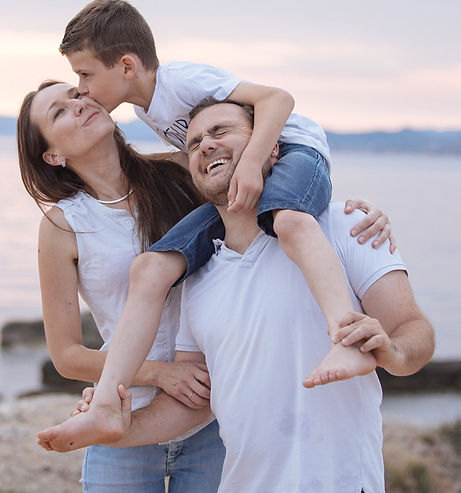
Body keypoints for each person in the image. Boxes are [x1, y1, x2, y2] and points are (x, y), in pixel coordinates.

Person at [46, 0, 394, 448]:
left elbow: (278, 99)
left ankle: (344, 335)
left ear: (127, 66)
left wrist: (250, 162)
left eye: (85, 75)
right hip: (245, 172)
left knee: (289, 221)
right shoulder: (144, 110)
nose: (83, 89)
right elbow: (182, 157)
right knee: (148, 269)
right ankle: (107, 408)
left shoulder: (181, 80)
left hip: (292, 153)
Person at [40, 98, 436, 492]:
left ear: (271, 146)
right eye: (193, 144)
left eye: (221, 131)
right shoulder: (194, 279)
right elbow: (193, 399)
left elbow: (413, 329)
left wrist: (392, 353)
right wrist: (119, 429)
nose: (206, 145)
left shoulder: (344, 227)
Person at [18, 80, 224, 491]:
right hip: (123, 419)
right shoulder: (63, 225)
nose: (78, 105)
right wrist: (162, 374)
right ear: (53, 155)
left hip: (212, 413)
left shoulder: (181, 172)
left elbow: (266, 184)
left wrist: (348, 213)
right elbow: (67, 356)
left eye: (76, 95)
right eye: (58, 112)